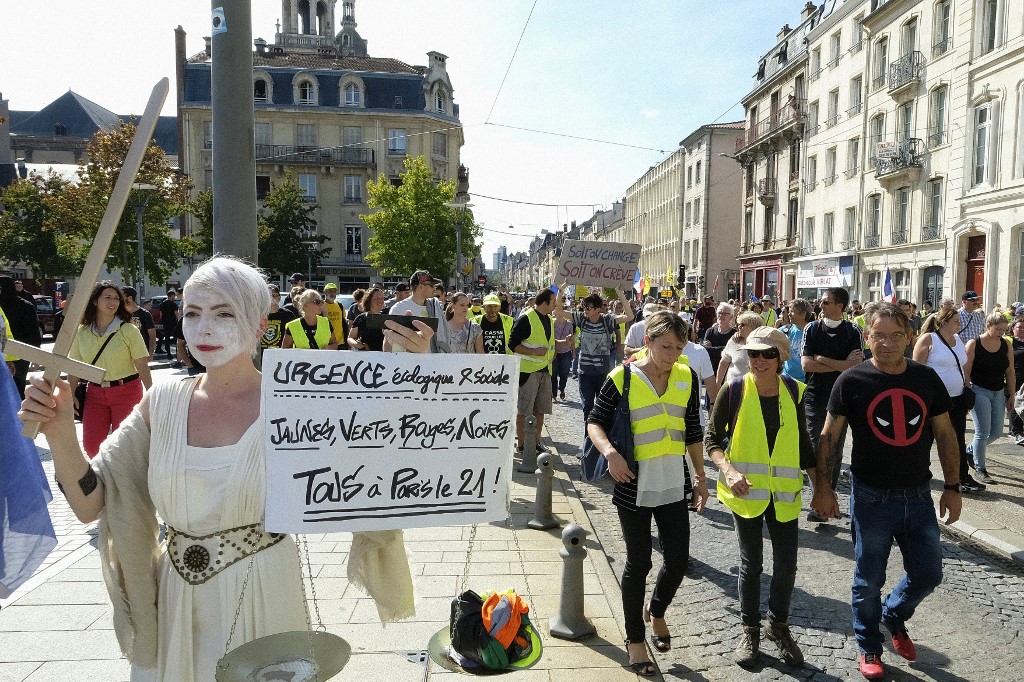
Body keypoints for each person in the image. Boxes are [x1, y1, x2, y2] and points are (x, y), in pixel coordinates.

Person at [19, 256, 427, 681]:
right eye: (192, 313)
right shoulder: (162, 404)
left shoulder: (295, 401)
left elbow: (387, 469)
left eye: (223, 313)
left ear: (257, 325)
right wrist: (60, 428)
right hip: (177, 602)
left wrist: (420, 377)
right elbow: (92, 504)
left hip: (265, 594)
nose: (203, 328)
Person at [811, 302, 962, 680]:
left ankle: (893, 615)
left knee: (929, 574)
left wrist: (954, 487)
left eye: (897, 335)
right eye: (879, 335)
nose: (888, 343)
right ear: (867, 336)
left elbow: (945, 434)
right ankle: (868, 646)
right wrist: (824, 488)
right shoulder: (852, 380)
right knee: (868, 579)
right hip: (871, 496)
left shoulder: (926, 379)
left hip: (918, 494)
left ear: (910, 336)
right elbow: (829, 436)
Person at [586, 311, 709, 677]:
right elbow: (595, 421)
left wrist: (701, 476)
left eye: (678, 347)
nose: (672, 354)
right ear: (647, 343)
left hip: (673, 481)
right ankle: (635, 640)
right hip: (632, 482)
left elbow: (691, 429)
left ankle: (655, 611)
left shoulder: (686, 376)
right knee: (638, 563)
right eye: (665, 346)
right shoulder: (621, 377)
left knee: (678, 559)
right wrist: (610, 453)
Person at [707, 326, 814, 668]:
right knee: (752, 565)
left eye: (768, 354)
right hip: (746, 494)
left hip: (783, 494)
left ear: (782, 358)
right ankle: (750, 629)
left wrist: (823, 489)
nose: (759, 360)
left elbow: (804, 447)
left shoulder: (795, 391)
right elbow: (711, 439)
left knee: (787, 566)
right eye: (753, 353)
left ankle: (778, 627)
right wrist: (729, 470)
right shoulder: (734, 389)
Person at [68, 283, 152, 458]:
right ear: (94, 301)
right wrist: (71, 393)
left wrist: (152, 394)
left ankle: (122, 483)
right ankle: (103, 481)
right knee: (92, 446)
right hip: (94, 393)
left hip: (127, 391)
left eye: (116, 298)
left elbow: (142, 364)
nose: (113, 302)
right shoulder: (82, 332)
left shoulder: (128, 330)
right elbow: (74, 365)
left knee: (125, 446)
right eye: (107, 297)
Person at [801, 286, 863, 523]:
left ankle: (828, 495)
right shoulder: (812, 329)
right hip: (815, 396)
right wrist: (841, 365)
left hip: (842, 398)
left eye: (826, 302)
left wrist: (823, 360)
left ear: (840, 306)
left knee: (834, 450)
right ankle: (820, 496)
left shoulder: (852, 330)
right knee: (816, 447)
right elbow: (807, 364)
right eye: (821, 302)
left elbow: (856, 366)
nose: (821, 305)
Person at [964, 312, 1015, 484]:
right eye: (998, 329)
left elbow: (1010, 371)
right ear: (988, 326)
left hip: (998, 391)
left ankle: (969, 450)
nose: (1001, 332)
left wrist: (1012, 395)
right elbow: (967, 369)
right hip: (979, 390)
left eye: (1004, 329)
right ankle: (980, 468)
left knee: (997, 432)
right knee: (982, 432)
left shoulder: (1006, 345)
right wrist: (967, 390)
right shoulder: (974, 344)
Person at [569, 291, 633, 424]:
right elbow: (558, 311)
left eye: (588, 307)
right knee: (587, 406)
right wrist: (563, 288)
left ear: (598, 309)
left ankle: (601, 434)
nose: (585, 310)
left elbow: (629, 316)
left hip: (602, 371)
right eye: (584, 307)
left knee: (602, 406)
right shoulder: (582, 319)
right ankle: (589, 438)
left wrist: (620, 294)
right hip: (585, 371)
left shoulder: (607, 320)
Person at [510, 287, 560, 452]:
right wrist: (533, 352)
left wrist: (563, 343)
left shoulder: (549, 319)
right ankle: (522, 444)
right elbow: (512, 345)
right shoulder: (526, 318)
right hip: (528, 372)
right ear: (545, 303)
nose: (555, 305)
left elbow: (548, 344)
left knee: (540, 409)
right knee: (524, 410)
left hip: (545, 371)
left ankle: (537, 443)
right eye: (553, 302)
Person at [0, 276, 43, 399]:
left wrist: (35, 355)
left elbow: (33, 334)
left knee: (16, 390)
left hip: (19, 356)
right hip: (15, 355)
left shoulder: (25, 306)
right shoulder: (25, 306)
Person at [716, 312, 764, 385]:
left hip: (754, 388)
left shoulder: (762, 345)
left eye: (743, 325)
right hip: (732, 387)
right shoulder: (734, 341)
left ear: (754, 327)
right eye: (739, 324)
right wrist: (718, 384)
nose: (739, 327)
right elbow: (723, 363)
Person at [257, 284, 297, 367]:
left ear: (279, 297)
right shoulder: (257, 315)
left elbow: (294, 338)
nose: (270, 299)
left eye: (273, 295)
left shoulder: (288, 315)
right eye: (267, 296)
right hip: (261, 358)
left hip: (281, 358)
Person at [780, 298, 811, 382]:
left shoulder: (813, 331)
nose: (789, 314)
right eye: (789, 311)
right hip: (787, 380)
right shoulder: (784, 331)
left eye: (792, 312)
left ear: (803, 314)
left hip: (807, 381)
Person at [122, 286, 156, 360]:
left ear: (130, 298)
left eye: (122, 297)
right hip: (124, 354)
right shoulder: (119, 315)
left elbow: (152, 335)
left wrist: (150, 353)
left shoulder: (145, 314)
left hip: (141, 354)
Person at [347, 287, 386, 351]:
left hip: (383, 355)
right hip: (365, 356)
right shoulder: (361, 318)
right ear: (369, 300)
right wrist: (358, 344)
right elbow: (350, 338)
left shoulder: (387, 317)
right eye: (376, 298)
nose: (380, 301)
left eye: (382, 298)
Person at [703, 303, 736, 372]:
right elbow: (705, 350)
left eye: (725, 314)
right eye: (720, 313)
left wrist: (712, 348)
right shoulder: (710, 331)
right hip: (711, 369)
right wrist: (724, 348)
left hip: (727, 370)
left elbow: (731, 352)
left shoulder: (734, 334)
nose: (721, 316)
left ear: (731, 316)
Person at [552, 310, 574, 402]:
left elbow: (572, 338)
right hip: (554, 352)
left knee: (564, 373)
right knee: (553, 374)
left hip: (566, 352)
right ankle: (553, 393)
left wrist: (574, 352)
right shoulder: (551, 323)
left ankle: (562, 388)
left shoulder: (569, 324)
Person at [321, 283, 350, 350]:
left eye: (334, 291)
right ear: (325, 292)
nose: (333, 293)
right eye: (330, 291)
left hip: (341, 343)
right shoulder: (321, 306)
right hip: (327, 343)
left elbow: (344, 323)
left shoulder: (340, 305)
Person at [1009, 320, 1024, 445]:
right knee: (1015, 404)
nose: (1022, 329)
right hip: (1014, 378)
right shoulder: (1009, 342)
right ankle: (1017, 432)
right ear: (1013, 329)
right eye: (1020, 327)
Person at [157, 290, 180, 358]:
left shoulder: (162, 304)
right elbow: (176, 314)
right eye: (174, 296)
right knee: (176, 338)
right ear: (171, 296)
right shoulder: (174, 304)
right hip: (173, 323)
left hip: (165, 323)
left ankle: (168, 353)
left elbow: (160, 315)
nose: (174, 297)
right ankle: (177, 353)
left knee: (167, 338)